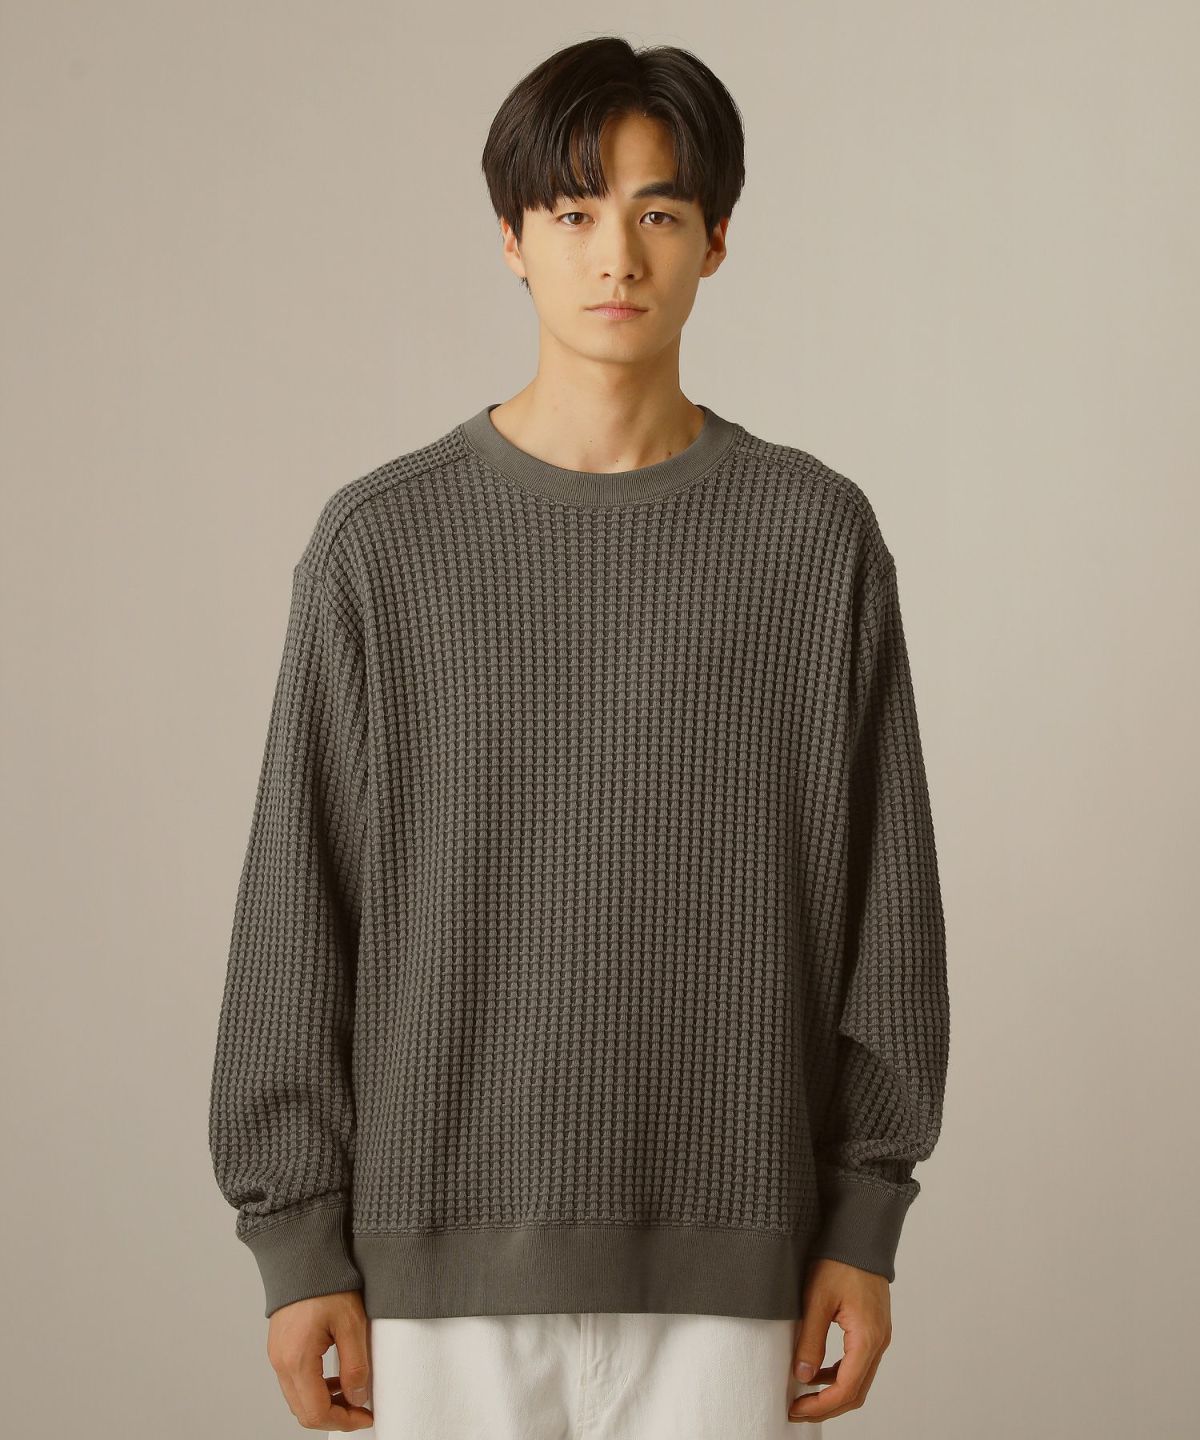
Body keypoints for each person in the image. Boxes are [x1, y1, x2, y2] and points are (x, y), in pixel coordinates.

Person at [208, 34, 950, 1438]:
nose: (617, 254)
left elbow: (887, 905)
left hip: (738, 1257)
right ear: (512, 239)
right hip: (439, 1266)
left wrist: (865, 1218)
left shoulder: (814, 541)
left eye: (658, 212)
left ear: (716, 240)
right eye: (573, 212)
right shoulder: (381, 548)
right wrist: (297, 1243)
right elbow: (297, 910)